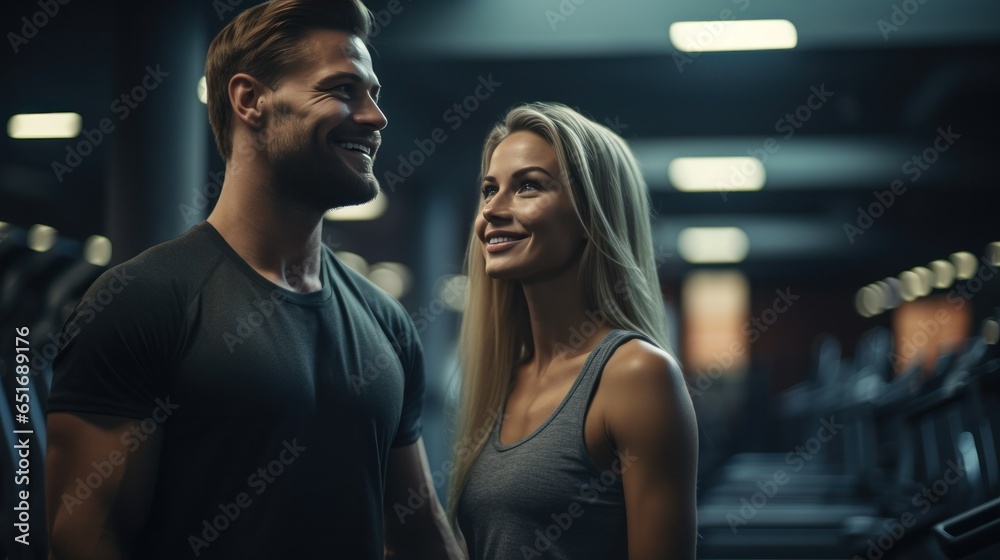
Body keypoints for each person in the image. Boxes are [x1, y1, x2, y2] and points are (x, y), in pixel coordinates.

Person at [44, 1, 462, 558]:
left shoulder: (386, 322)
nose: (374, 116)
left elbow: (419, 533)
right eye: (342, 89)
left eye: (374, 95)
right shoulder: (143, 301)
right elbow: (82, 536)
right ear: (250, 101)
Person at [449, 102, 698, 559]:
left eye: (528, 187)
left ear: (590, 216)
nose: (492, 211)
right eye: (489, 190)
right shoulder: (500, 378)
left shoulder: (637, 374)